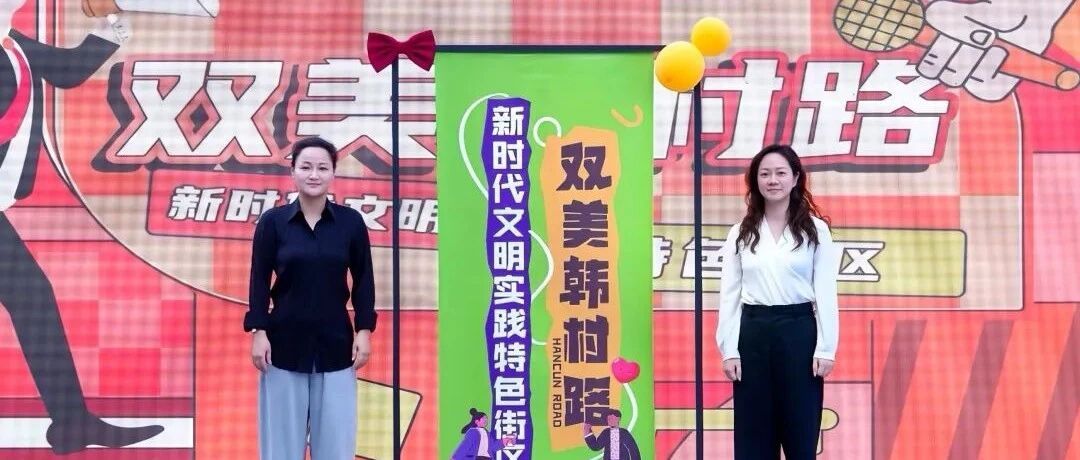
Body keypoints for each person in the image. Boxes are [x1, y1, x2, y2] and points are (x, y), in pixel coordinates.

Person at [0, 1, 164, 454]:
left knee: (33, 298)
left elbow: (68, 70)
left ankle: (72, 423)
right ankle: (71, 422)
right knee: (32, 297)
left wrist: (115, 27)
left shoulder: (14, 46)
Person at [244, 136, 377, 460]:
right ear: (293, 171)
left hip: (336, 346)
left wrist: (363, 331)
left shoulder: (350, 223)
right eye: (305, 167)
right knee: (280, 448)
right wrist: (259, 331)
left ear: (333, 172)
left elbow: (364, 278)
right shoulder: (273, 222)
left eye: (322, 168)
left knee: (336, 446)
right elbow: (259, 280)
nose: (313, 175)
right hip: (282, 346)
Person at [714, 144, 840, 459]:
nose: (773, 180)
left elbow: (826, 291)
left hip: (799, 332)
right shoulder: (740, 233)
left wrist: (826, 348)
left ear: (795, 178)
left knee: (800, 428)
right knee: (754, 432)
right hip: (753, 333)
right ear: (755, 181)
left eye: (781, 173)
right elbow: (730, 294)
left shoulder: (816, 231)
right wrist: (729, 350)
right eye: (765, 174)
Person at [450, 408, 516, 460]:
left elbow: (493, 447)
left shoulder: (487, 433)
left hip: (488, 458)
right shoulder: (473, 432)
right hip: (477, 458)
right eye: (484, 418)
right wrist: (456, 458)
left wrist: (504, 441)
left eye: (486, 418)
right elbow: (465, 445)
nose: (486, 420)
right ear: (477, 421)